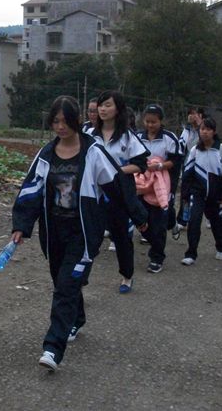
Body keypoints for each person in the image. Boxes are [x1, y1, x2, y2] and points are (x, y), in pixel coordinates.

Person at [11, 96, 147, 372]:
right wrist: (21, 226)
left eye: (65, 121)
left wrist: (140, 217)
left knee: (66, 286)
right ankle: (77, 318)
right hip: (53, 231)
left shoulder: (93, 152)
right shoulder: (46, 154)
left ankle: (52, 347)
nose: (60, 127)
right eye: (55, 121)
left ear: (76, 121)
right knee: (63, 281)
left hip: (83, 233)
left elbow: (118, 186)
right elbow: (31, 190)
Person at [91, 91, 149, 293]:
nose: (102, 109)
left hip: (119, 195)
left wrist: (115, 172)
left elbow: (140, 164)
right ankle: (79, 279)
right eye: (101, 105)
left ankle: (127, 276)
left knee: (122, 238)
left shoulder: (127, 136)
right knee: (90, 237)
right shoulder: (89, 135)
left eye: (108, 105)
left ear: (118, 109)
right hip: (95, 195)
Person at [180, 117, 222, 265]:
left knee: (217, 221)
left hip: (215, 195)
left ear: (214, 132)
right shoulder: (195, 150)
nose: (205, 132)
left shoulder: (221, 149)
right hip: (198, 193)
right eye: (202, 129)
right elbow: (187, 173)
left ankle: (221, 248)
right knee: (194, 221)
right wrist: (185, 195)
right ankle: (191, 254)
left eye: (208, 129)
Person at [136, 104, 181, 273]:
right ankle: (170, 222)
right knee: (139, 217)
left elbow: (176, 161)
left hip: (162, 185)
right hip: (142, 183)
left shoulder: (169, 138)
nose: (150, 125)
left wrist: (160, 166)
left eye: (153, 122)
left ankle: (156, 257)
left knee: (159, 224)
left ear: (161, 121)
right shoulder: (138, 137)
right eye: (147, 121)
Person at [175, 106, 204, 234]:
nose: (191, 116)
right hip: (188, 165)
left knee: (200, 195)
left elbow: (206, 142)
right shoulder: (186, 130)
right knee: (185, 192)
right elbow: (181, 145)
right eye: (190, 114)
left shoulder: (206, 129)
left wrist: (200, 125)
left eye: (194, 113)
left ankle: (204, 218)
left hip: (201, 166)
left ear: (201, 115)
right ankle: (183, 219)